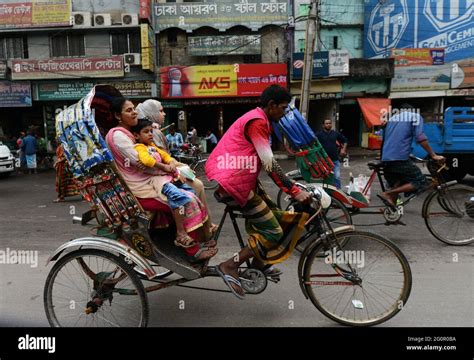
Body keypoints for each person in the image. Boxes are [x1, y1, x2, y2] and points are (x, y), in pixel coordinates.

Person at [205, 84, 313, 299]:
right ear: (271, 105)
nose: (284, 113)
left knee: (278, 218)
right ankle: (229, 265)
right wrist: (294, 191)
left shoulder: (259, 119)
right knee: (273, 231)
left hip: (242, 180)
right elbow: (270, 163)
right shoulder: (257, 122)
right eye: (282, 108)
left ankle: (258, 264)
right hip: (233, 185)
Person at [106, 98, 217, 261]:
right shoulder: (118, 136)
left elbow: (157, 158)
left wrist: (168, 165)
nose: (134, 112)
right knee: (187, 201)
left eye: (133, 109)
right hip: (140, 189)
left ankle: (194, 238)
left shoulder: (132, 133)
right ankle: (190, 248)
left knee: (192, 193)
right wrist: (166, 168)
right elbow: (142, 164)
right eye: (128, 110)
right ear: (117, 115)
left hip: (151, 183)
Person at [136, 99, 216, 231]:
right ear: (152, 113)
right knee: (198, 185)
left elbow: (165, 156)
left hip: (167, 169)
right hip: (160, 177)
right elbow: (158, 161)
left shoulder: (155, 130)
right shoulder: (152, 133)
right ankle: (204, 229)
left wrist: (178, 165)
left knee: (194, 180)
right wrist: (177, 172)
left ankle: (204, 224)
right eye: (161, 111)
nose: (164, 114)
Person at [131, 118, 208, 252]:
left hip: (167, 177)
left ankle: (198, 234)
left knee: (192, 193)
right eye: (146, 132)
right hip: (158, 180)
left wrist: (171, 162)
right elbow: (147, 161)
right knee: (179, 197)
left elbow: (166, 156)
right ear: (137, 135)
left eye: (151, 131)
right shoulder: (139, 147)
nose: (150, 134)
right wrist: (164, 166)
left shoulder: (152, 146)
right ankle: (180, 232)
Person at [378, 103, 445, 209]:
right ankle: (388, 194)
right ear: (412, 111)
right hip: (399, 159)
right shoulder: (415, 117)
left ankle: (391, 211)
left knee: (398, 182)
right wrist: (433, 155)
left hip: (386, 158)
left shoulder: (392, 119)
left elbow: (387, 139)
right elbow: (420, 138)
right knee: (421, 182)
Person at [315, 119, 348, 189]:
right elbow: (312, 143)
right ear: (323, 125)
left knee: (336, 177)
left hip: (335, 159)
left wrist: (343, 149)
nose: (328, 125)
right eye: (326, 123)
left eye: (330, 123)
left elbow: (345, 140)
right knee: (325, 178)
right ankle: (326, 192)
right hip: (323, 161)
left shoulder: (335, 133)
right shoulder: (318, 134)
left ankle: (339, 192)